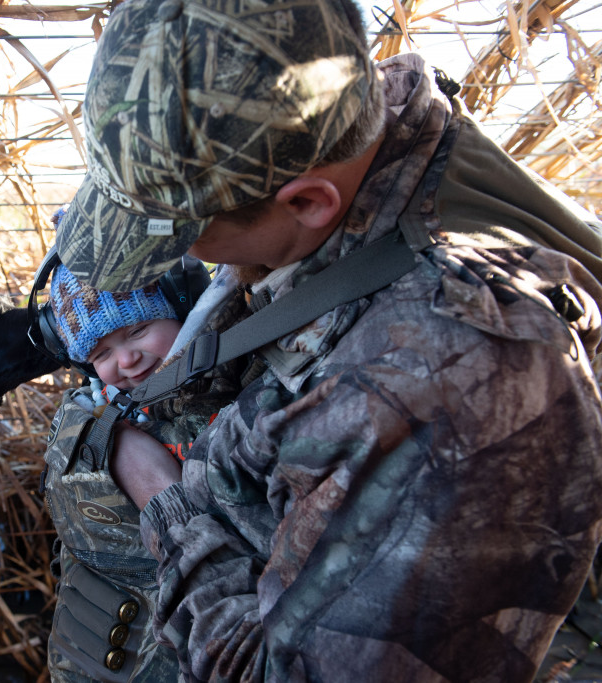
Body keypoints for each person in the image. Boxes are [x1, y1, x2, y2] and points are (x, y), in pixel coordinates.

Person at [44, 0, 602, 680]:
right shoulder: (349, 124)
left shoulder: (447, 370)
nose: (188, 264)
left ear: (308, 203)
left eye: (187, 238)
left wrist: (160, 493)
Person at [38, 259, 247, 682]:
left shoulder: (239, 389)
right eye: (100, 353)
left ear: (184, 305)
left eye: (138, 330)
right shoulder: (93, 415)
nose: (128, 359)